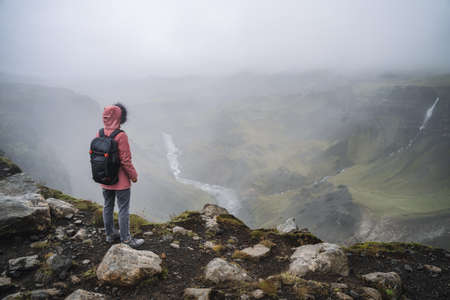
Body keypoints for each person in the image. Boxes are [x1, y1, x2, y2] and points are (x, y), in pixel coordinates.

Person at [97, 103, 144, 248]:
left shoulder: (100, 133)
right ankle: (126, 239)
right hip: (121, 181)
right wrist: (133, 175)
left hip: (105, 178)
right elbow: (125, 160)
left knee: (108, 206)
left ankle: (110, 235)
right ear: (119, 117)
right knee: (123, 208)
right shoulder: (121, 135)